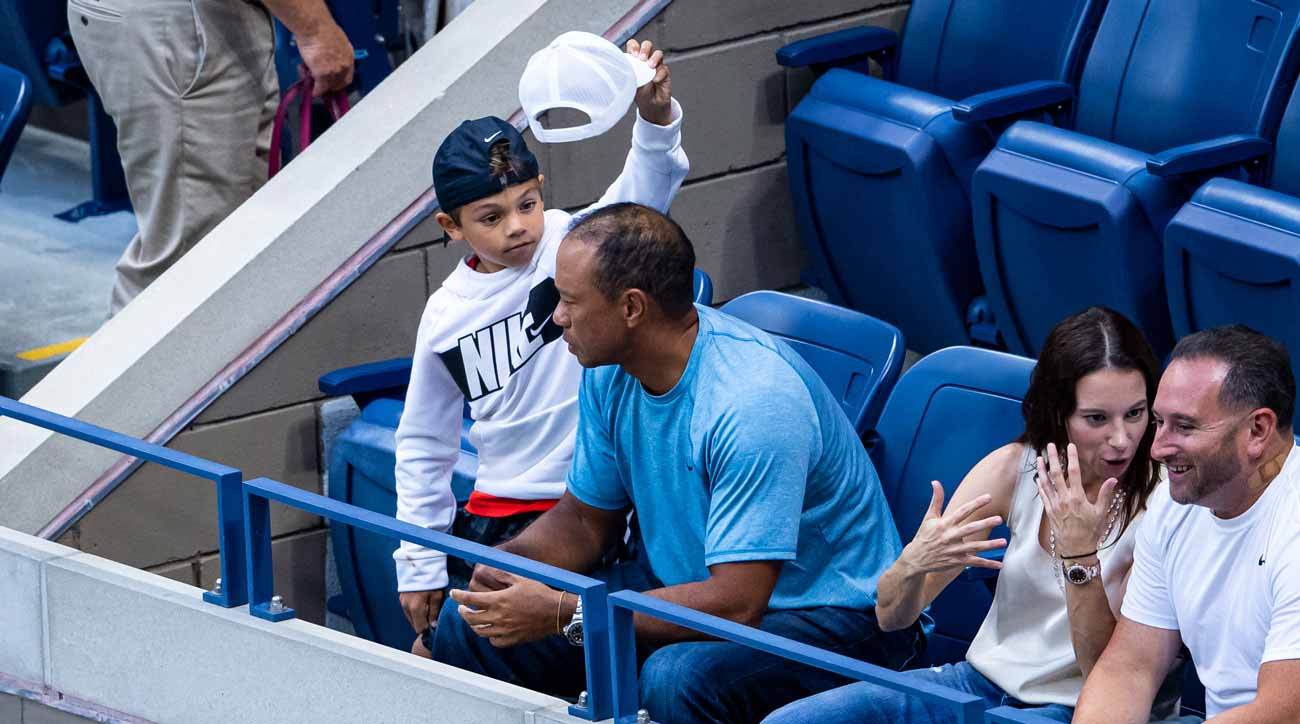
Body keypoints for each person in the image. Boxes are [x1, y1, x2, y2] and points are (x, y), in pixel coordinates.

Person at [430, 203, 923, 724]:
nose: (558, 317)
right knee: (471, 622)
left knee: (676, 677)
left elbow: (737, 605)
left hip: (832, 617)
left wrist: (562, 614)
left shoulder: (752, 403)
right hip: (686, 580)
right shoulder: (608, 367)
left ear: (631, 308)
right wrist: (509, 563)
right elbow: (583, 521)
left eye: (571, 301)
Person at [394, 41, 687, 659]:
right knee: (447, 657)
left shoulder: (574, 242)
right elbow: (424, 442)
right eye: (491, 217)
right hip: (502, 516)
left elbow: (646, 190)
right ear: (451, 227)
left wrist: (656, 116)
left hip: (600, 505)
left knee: (588, 655)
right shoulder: (444, 316)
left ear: (541, 189)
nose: (518, 226)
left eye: (526, 203)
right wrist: (417, 562)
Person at [764, 306, 1170, 724]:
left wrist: (1080, 558)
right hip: (979, 684)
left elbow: (1110, 677)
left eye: (1135, 414)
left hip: (1079, 708)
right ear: (1058, 413)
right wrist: (912, 565)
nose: (1121, 439)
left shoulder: (1167, 500)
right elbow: (891, 618)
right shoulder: (1015, 468)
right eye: (1097, 418)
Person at [68, 0, 355, 315]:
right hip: (184, 27)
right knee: (186, 262)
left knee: (228, 234)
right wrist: (315, 30)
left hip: (185, 23)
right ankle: (131, 364)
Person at [1074, 325, 1300, 723]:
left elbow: (1283, 712)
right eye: (1159, 422)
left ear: (1258, 430)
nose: (1158, 448)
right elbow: (1130, 668)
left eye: (1184, 426)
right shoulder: (1174, 505)